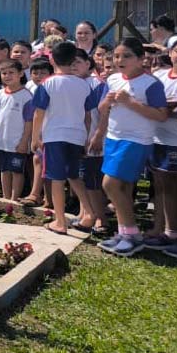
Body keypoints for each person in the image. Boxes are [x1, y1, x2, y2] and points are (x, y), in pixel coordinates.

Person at [91, 38, 169, 256]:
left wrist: (131, 103)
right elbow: (102, 108)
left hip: (136, 140)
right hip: (114, 138)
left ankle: (131, 233)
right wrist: (105, 104)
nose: (120, 60)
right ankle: (125, 232)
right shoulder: (113, 79)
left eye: (126, 56)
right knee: (122, 187)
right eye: (116, 56)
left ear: (141, 59)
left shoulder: (151, 83)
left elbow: (161, 115)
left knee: (110, 185)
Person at [31, 42, 97, 235]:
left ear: (52, 59)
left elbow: (38, 113)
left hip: (54, 136)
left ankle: (60, 221)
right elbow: (88, 115)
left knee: (57, 179)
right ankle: (90, 213)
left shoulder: (48, 83)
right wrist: (84, 137)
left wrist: (35, 138)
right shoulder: (84, 84)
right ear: (73, 60)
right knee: (74, 176)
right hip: (76, 136)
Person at [142, 37, 177, 257]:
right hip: (159, 139)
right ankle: (170, 232)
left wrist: (169, 110)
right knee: (163, 187)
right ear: (170, 53)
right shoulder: (160, 76)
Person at [74, 49, 109, 232]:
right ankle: (84, 213)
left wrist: (97, 136)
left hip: (94, 141)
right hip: (78, 138)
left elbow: (103, 114)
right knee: (82, 178)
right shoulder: (72, 83)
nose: (74, 67)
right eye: (71, 63)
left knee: (93, 182)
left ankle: (100, 219)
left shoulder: (97, 84)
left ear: (88, 63)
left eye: (78, 62)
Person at [0, 59, 34, 201]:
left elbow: (29, 121)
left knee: (17, 171)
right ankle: (5, 197)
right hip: (1, 141)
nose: (7, 76)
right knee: (4, 170)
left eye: (11, 73)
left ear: (21, 73)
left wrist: (24, 142)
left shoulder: (26, 96)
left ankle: (14, 199)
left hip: (17, 142)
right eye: (4, 73)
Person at [21, 57, 55, 206]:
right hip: (37, 131)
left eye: (43, 72)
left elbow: (40, 113)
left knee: (42, 162)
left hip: (48, 131)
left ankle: (38, 195)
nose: (39, 76)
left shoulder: (49, 87)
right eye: (35, 73)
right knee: (39, 161)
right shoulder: (31, 88)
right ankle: (43, 197)